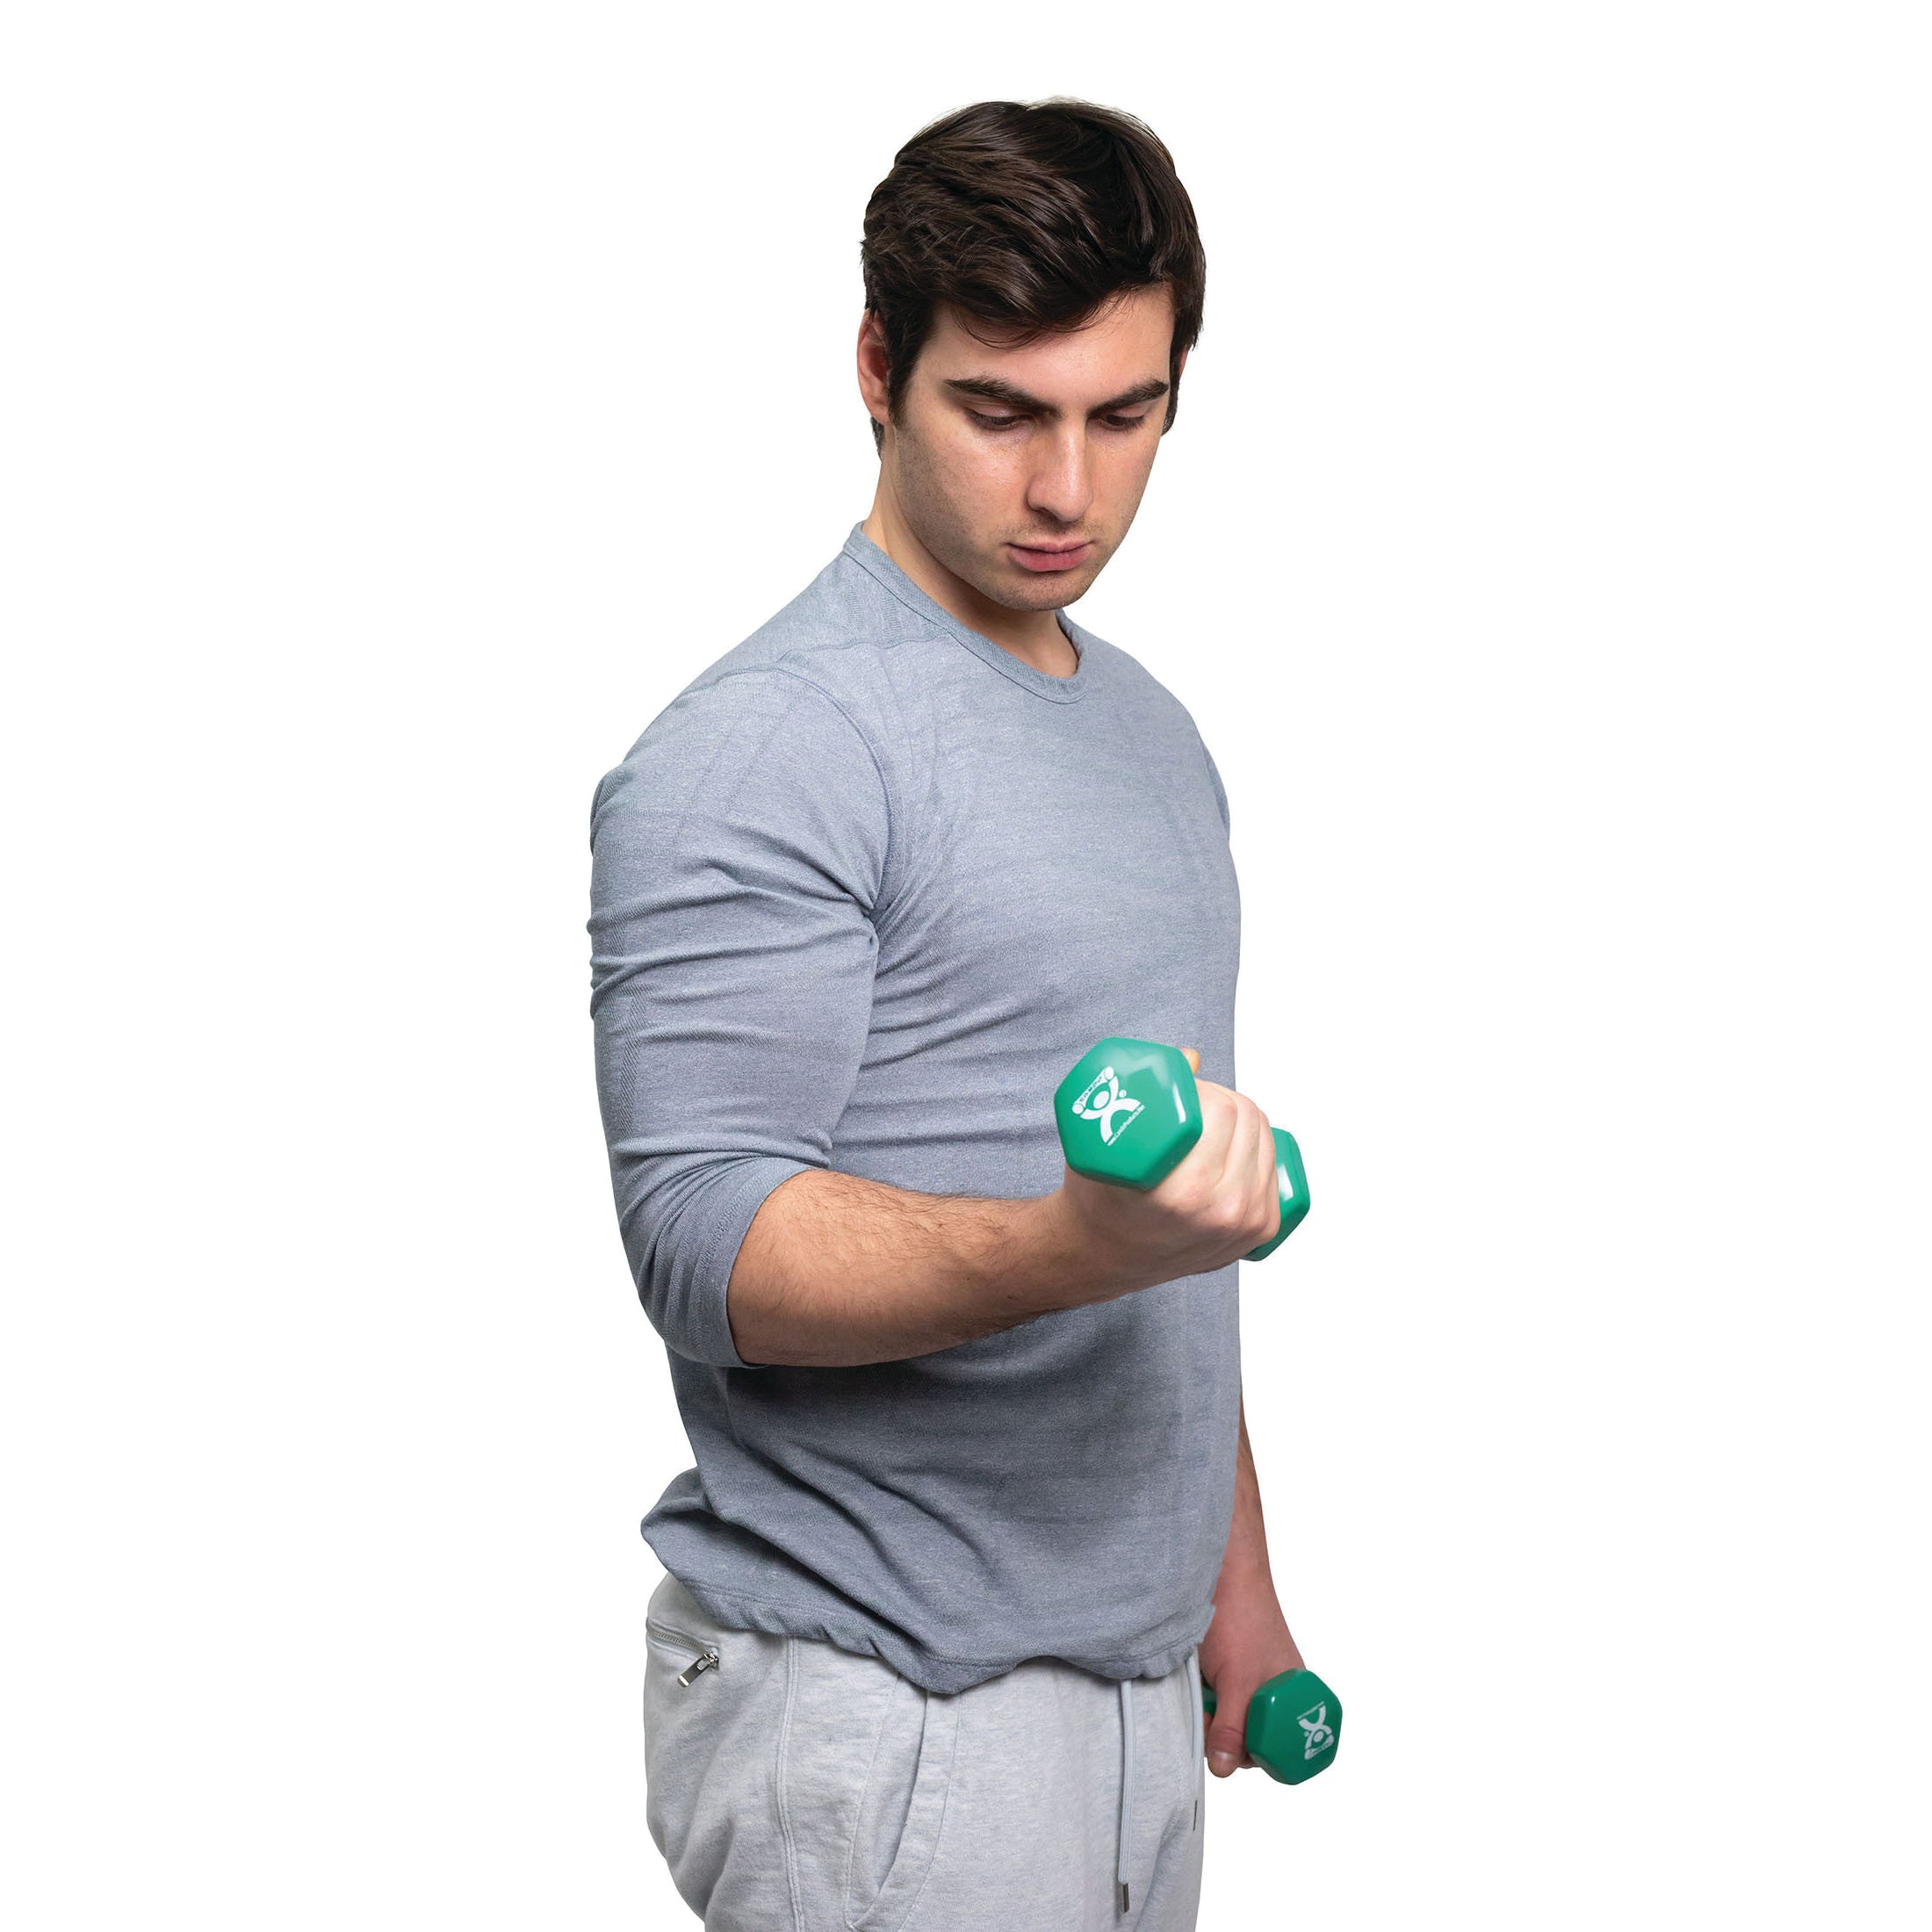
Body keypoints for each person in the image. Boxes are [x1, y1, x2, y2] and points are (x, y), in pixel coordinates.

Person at [589, 97, 1312, 1931]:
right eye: (999, 412)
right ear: (874, 367)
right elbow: (706, 1240)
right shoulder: (767, 746)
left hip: (1129, 1688)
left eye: (1121, 415)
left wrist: (1227, 1584)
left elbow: (1175, 1234)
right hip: (891, 1709)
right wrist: (1071, 1240)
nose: (1065, 488)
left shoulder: (1149, 736)